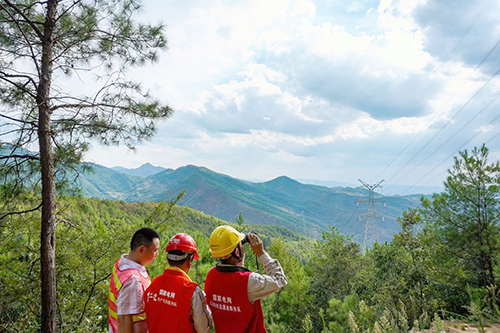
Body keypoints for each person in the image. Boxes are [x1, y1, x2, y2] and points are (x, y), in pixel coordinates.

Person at [204, 226, 287, 332]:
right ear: (237, 252)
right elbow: (280, 279)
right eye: (239, 244)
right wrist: (261, 253)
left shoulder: (211, 276)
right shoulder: (249, 281)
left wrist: (238, 260)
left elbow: (231, 285)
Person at [144, 233, 212, 333]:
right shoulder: (192, 291)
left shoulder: (153, 283)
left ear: (168, 259)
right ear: (190, 261)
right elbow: (204, 329)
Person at [109, 227, 160, 333]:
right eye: (155, 251)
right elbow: (124, 320)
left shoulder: (121, 263)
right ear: (141, 249)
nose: (157, 255)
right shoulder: (133, 280)